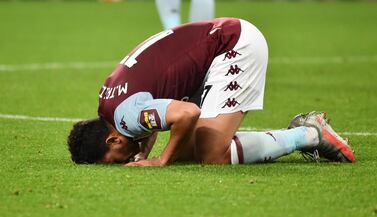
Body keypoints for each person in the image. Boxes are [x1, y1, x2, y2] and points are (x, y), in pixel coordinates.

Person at [67, 17, 355, 166]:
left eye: (116, 160)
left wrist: (160, 160)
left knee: (211, 153)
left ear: (114, 140)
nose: (125, 162)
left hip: (233, 45)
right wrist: (145, 150)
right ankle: (303, 134)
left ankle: (308, 134)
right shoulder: (109, 103)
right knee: (189, 149)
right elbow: (155, 108)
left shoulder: (125, 118)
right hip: (218, 41)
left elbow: (186, 112)